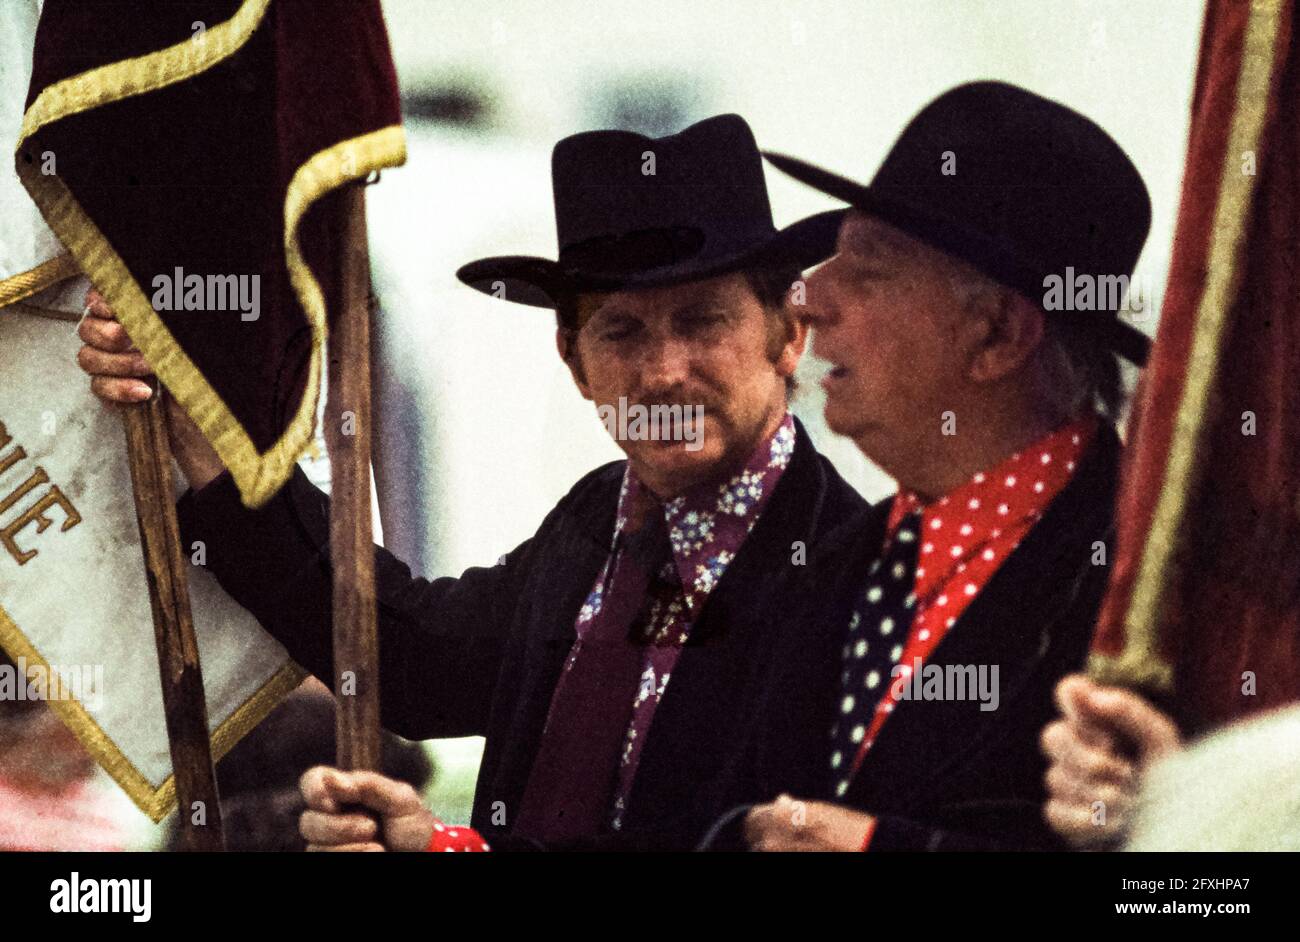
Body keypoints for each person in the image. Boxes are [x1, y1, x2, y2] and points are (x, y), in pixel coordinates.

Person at [76, 113, 866, 851]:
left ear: (788, 336)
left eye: (701, 321)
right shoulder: (599, 519)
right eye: (620, 330)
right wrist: (201, 427)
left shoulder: (859, 578)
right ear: (574, 362)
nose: (662, 373)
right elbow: (408, 659)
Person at [739, 81, 1153, 850]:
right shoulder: (829, 569)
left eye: (867, 269)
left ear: (996, 334)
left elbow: (1208, 901)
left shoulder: (1160, 594)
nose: (808, 295)